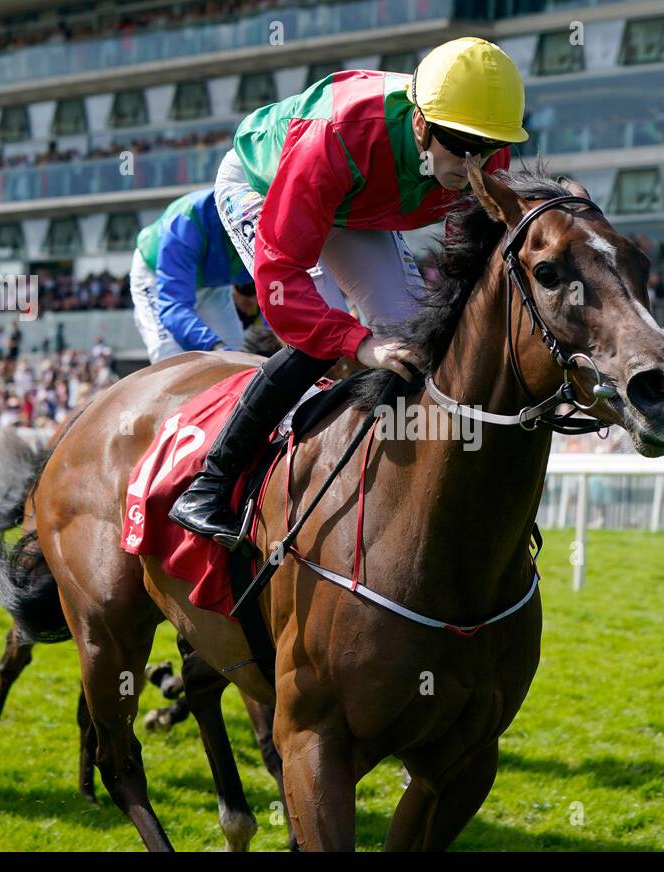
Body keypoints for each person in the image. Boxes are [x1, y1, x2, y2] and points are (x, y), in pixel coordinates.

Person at [168, 38, 525, 545]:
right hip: (269, 186)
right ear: (420, 124)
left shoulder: (486, 150)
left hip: (356, 205)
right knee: (323, 332)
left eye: (486, 149)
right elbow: (281, 282)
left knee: (412, 343)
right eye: (461, 146)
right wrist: (356, 343)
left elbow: (467, 266)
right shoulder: (337, 135)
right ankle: (209, 482)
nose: (475, 164)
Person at [131, 187, 270, 363]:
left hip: (212, 283)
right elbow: (174, 309)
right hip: (157, 277)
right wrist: (216, 348)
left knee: (240, 361)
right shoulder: (186, 222)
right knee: (171, 359)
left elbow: (281, 292)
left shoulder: (269, 226)